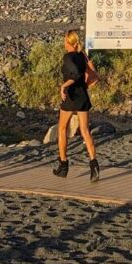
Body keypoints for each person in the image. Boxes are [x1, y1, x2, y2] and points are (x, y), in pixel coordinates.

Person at [53, 30, 100, 181]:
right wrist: (85, 85)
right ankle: (94, 164)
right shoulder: (83, 55)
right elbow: (95, 76)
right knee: (85, 131)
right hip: (83, 96)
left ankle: (63, 164)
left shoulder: (68, 57)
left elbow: (75, 74)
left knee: (62, 129)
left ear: (68, 42)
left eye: (64, 40)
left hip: (71, 95)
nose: (63, 43)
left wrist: (64, 86)